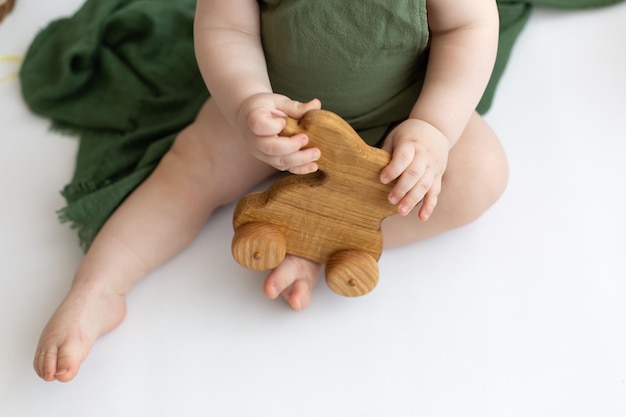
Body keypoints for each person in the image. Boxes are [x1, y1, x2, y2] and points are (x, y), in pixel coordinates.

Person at [33, 0, 508, 382]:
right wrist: (246, 103)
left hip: (401, 121)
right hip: (280, 117)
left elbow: (467, 27)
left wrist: (435, 127)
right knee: (190, 168)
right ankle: (100, 287)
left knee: (481, 173)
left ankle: (323, 240)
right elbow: (226, 30)